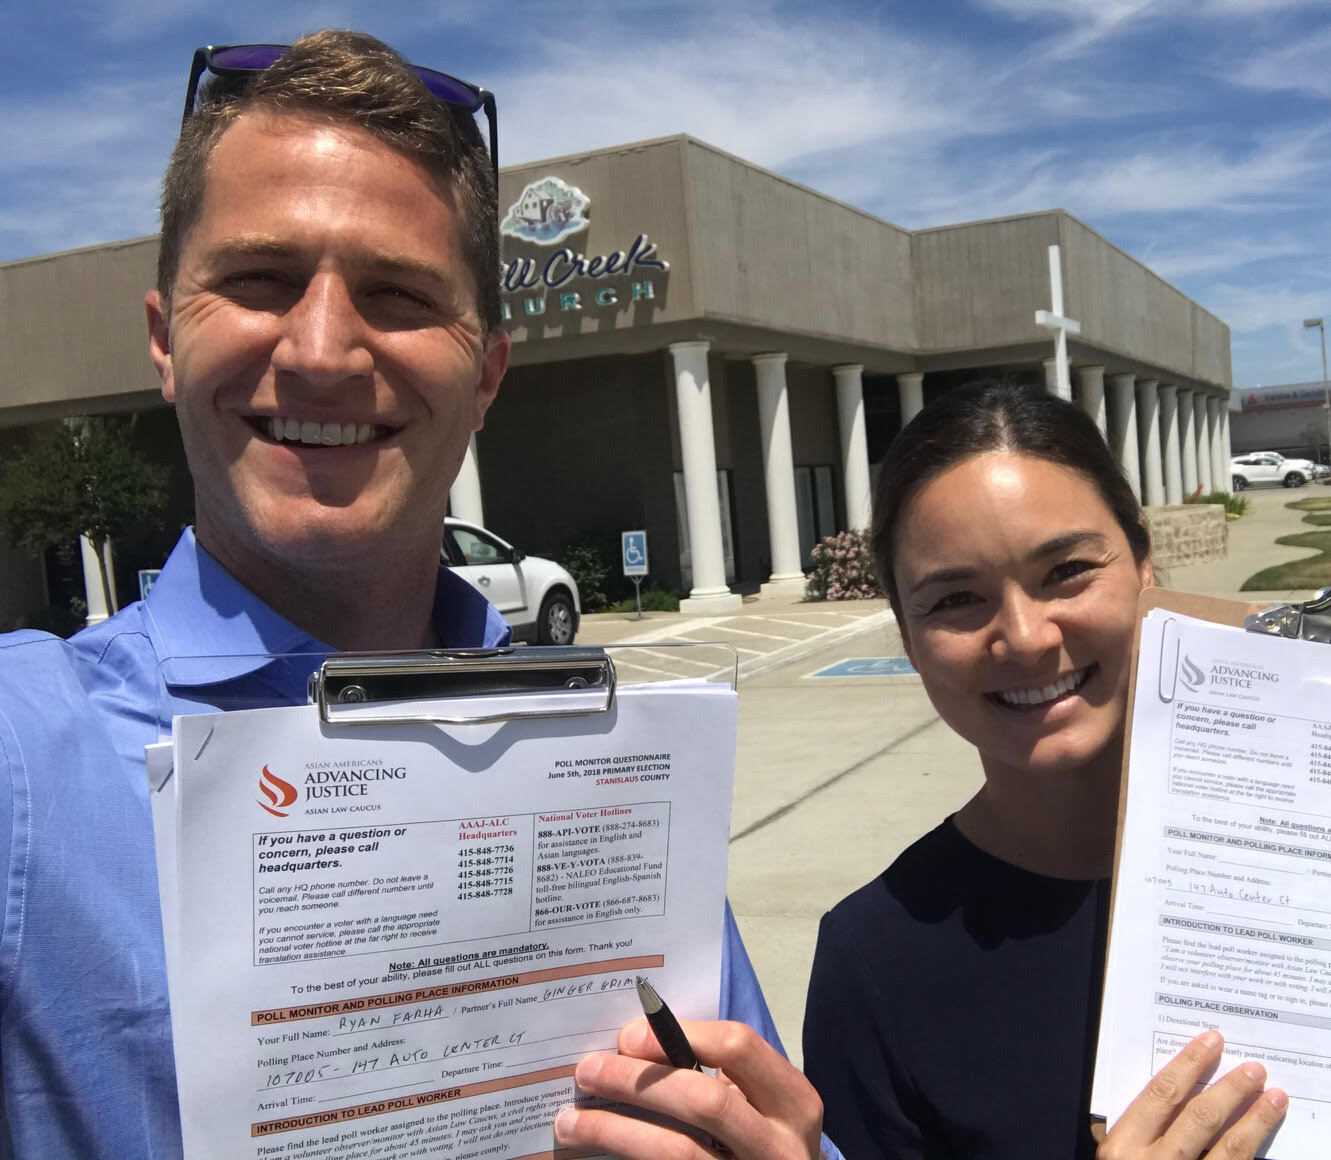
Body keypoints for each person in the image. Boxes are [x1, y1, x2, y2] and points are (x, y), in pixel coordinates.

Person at [0, 32, 825, 1160]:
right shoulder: (22, 767)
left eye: (396, 294)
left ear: (485, 373)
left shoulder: (609, 771)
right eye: (257, 280)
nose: (326, 349)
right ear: (163, 339)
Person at [802, 380, 1331, 1160]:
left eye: (1066, 572)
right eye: (956, 599)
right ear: (907, 635)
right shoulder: (873, 961)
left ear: (1145, 565)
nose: (1022, 636)